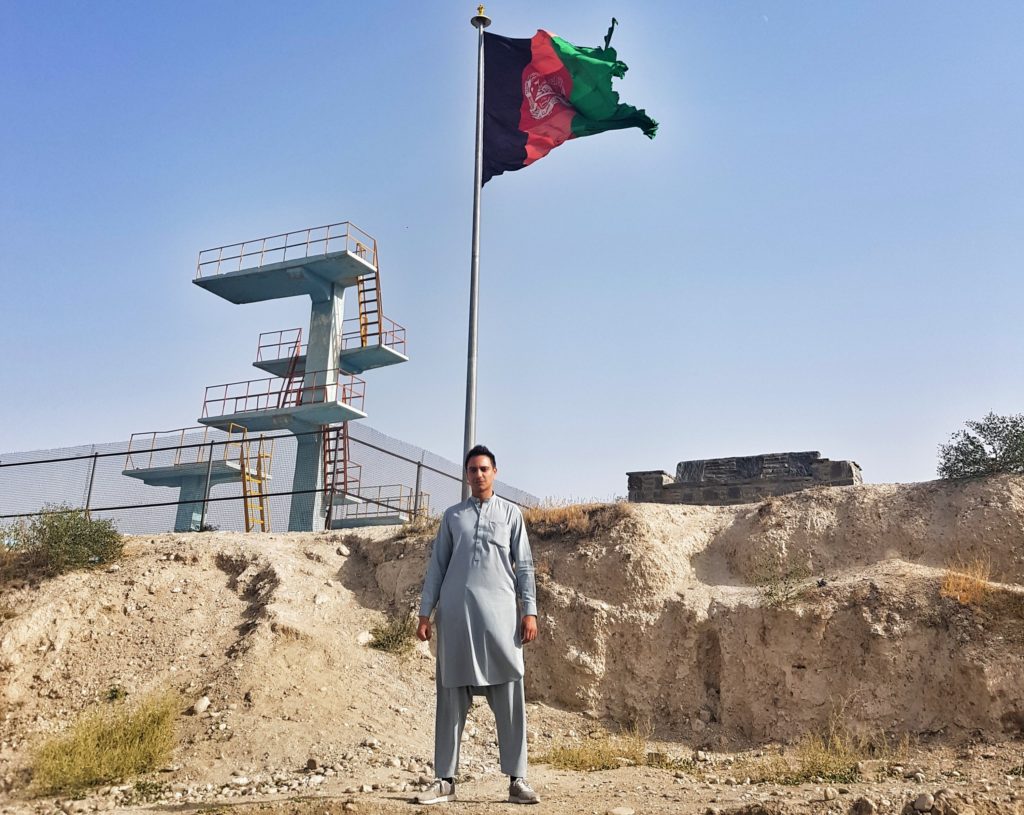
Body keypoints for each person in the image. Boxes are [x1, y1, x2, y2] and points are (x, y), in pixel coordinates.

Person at [414, 445, 540, 805]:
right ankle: (444, 781)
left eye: (484, 468)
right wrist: (426, 613)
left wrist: (528, 611)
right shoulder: (453, 517)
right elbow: (437, 567)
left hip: (500, 623)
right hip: (456, 623)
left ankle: (518, 780)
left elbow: (525, 567)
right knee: (450, 700)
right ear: (466, 475)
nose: (478, 475)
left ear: (495, 472)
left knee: (512, 696)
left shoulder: (511, 515)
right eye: (472, 470)